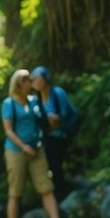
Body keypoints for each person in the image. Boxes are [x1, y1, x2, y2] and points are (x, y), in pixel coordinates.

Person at [1, 69, 72, 218]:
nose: (31, 82)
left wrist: (54, 121)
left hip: (37, 150)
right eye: (27, 80)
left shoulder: (34, 101)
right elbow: (8, 130)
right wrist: (24, 146)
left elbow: (43, 120)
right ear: (19, 84)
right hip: (16, 151)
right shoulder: (9, 104)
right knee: (15, 192)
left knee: (46, 188)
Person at [32, 66, 78, 200]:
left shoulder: (57, 93)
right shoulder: (37, 99)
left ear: (45, 78)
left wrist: (51, 120)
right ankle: (61, 193)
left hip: (63, 136)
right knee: (53, 166)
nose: (34, 80)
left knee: (58, 165)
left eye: (36, 77)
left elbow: (61, 117)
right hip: (49, 138)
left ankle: (65, 193)